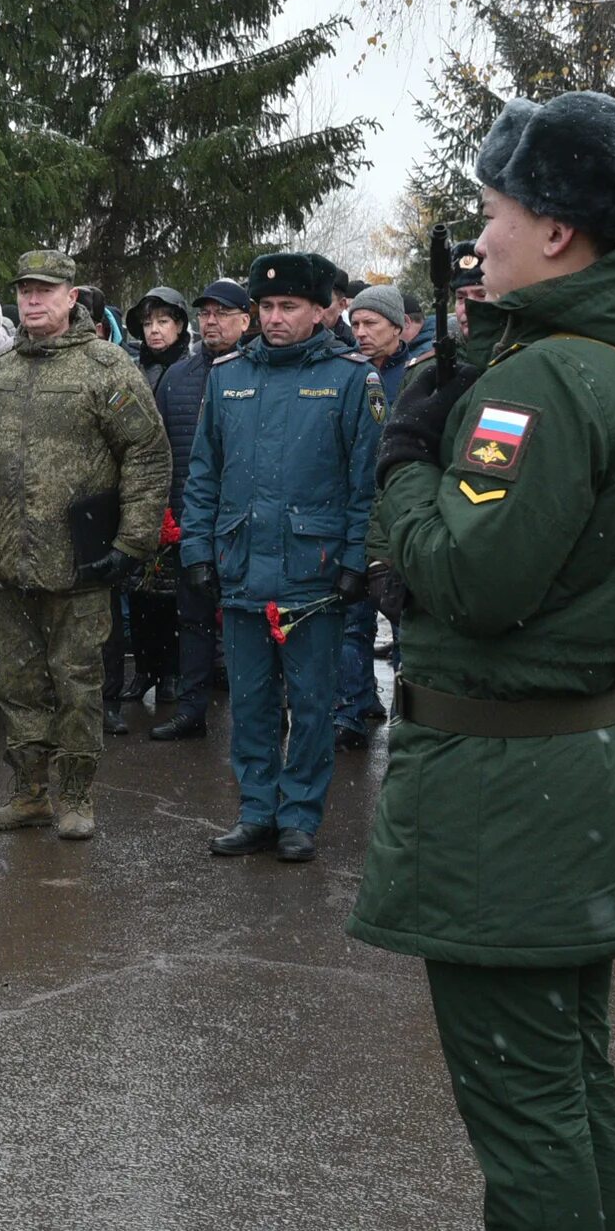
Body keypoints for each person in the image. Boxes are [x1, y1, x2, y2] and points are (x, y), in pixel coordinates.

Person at [353, 88, 615, 1231]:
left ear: (557, 229)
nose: (481, 233)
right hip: (571, 766)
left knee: (530, 1108)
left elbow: (472, 576)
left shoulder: (545, 381)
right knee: (568, 1093)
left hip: (513, 777)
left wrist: (401, 471)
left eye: (498, 210)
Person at [0, 246, 170, 837]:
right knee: (18, 686)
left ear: (71, 298)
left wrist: (132, 543)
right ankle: (29, 793)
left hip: (80, 564)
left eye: (46, 291)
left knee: (77, 683)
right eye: (25, 291)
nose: (34, 301)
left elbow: (147, 459)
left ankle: (76, 796)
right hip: (6, 563)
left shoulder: (106, 368)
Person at [180, 249, 381, 862]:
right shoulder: (228, 374)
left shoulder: (352, 379)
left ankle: (299, 815)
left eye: (288, 306)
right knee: (250, 700)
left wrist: (355, 561)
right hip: (242, 561)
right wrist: (197, 545)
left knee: (313, 701)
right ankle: (256, 810)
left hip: (312, 571)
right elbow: (203, 472)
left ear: (321, 311)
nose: (274, 317)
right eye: (265, 306)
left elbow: (365, 482)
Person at [148, 279, 250, 741]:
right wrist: (170, 513)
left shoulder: (257, 371)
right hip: (192, 519)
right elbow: (160, 451)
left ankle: (256, 715)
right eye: (205, 313)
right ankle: (191, 709)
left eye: (222, 313)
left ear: (245, 321)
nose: (211, 321)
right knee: (192, 619)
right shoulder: (179, 378)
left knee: (250, 621)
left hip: (246, 521)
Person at [338, 282, 433, 746]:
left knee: (402, 625)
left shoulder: (419, 374)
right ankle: (354, 710)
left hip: (400, 514)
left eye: (371, 323)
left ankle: (406, 719)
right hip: (355, 511)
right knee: (352, 620)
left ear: (398, 327)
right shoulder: (351, 374)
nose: (361, 332)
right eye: (355, 323)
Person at [118, 286, 196, 714]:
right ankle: (145, 668)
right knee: (140, 592)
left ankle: (171, 673)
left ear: (180, 325)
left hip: (178, 489)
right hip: (137, 490)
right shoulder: (133, 369)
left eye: (163, 321)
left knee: (172, 594)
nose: (154, 331)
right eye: (148, 323)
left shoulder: (192, 369)